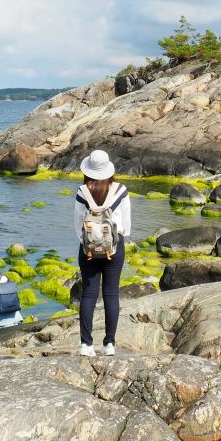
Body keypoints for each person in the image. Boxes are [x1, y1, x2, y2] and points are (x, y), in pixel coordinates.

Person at [74, 149, 131, 357]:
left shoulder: (83, 192)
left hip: (88, 249)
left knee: (88, 295)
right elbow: (126, 225)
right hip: (114, 249)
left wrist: (88, 242)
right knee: (111, 294)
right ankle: (109, 345)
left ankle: (86, 345)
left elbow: (77, 225)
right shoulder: (121, 190)